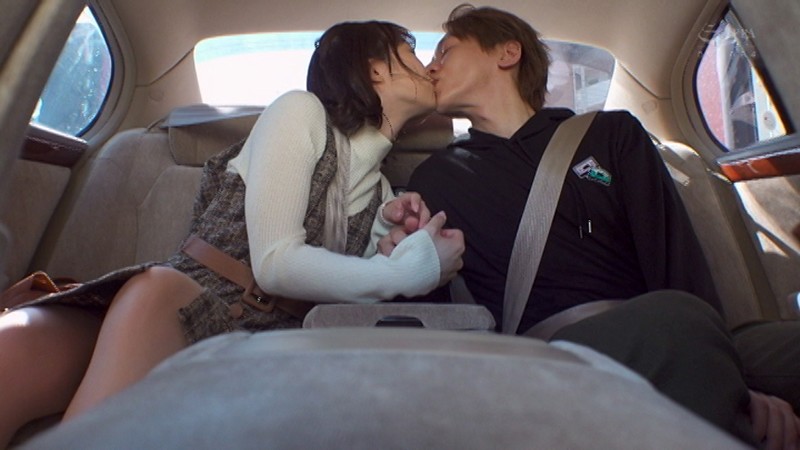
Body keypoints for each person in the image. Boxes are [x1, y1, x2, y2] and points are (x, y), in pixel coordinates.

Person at [0, 21, 464, 446]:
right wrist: (407, 272)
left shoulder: (382, 191)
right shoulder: (300, 111)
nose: (428, 65)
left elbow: (345, 292)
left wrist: (387, 238)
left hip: (264, 336)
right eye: (412, 51)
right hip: (183, 294)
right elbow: (277, 263)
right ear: (375, 67)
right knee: (13, 347)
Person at [379, 4, 799, 448]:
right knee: (675, 322)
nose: (430, 67)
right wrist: (406, 264)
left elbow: (673, 256)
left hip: (677, 330)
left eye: (445, 50)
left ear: (507, 53)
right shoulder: (436, 178)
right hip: (555, 354)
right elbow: (435, 318)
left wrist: (723, 371)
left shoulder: (611, 133)